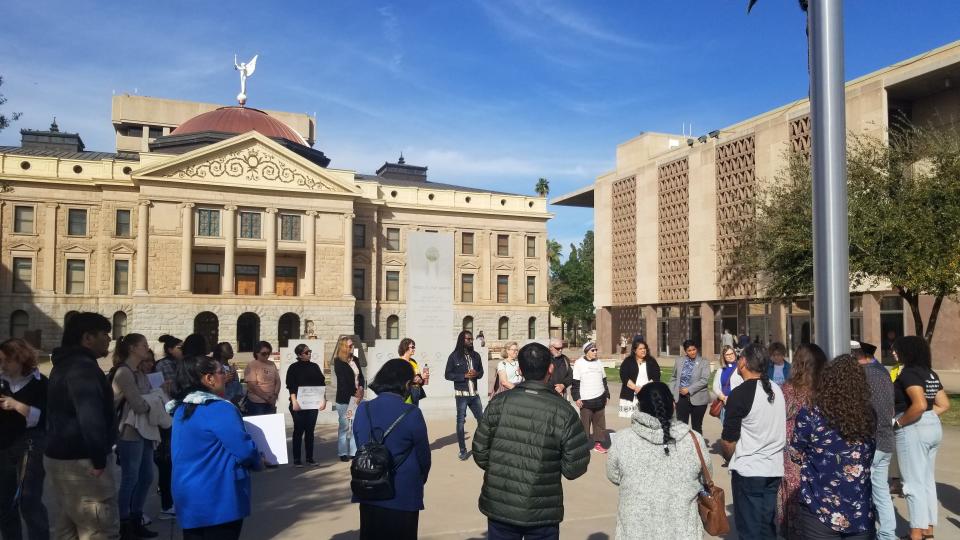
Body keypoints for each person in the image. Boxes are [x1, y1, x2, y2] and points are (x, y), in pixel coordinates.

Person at [473, 343, 590, 539]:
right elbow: (574, 467)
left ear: (520, 370)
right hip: (538, 510)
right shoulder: (564, 411)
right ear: (550, 369)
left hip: (508, 505)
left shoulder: (498, 404)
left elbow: (480, 452)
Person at [169, 355, 263, 540]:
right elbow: (244, 450)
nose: (226, 375)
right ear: (209, 378)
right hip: (218, 496)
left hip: (188, 495)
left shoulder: (182, 407)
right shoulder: (219, 408)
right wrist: (259, 460)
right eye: (222, 372)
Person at [44, 312, 120, 540]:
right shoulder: (83, 369)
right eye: (105, 334)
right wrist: (98, 461)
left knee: (67, 529)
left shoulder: (63, 365)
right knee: (99, 529)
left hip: (60, 458)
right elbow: (90, 416)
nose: (109, 339)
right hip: (82, 462)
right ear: (87, 338)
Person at [607, 381, 711, 539]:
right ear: (673, 405)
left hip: (635, 529)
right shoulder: (693, 440)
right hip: (682, 530)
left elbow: (614, 475)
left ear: (639, 407)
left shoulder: (622, 440)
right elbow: (706, 476)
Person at [789, 355, 876, 539]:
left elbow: (796, 452)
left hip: (819, 507)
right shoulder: (869, 415)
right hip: (859, 508)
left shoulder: (810, 414)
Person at [352, 358, 431, 540]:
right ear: (405, 384)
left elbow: (360, 444)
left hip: (369, 486)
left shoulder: (364, 409)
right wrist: (421, 478)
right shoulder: (412, 413)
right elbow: (424, 457)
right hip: (403, 491)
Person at [720, 343, 786, 540]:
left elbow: (728, 440)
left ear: (743, 362)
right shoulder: (776, 389)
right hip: (772, 470)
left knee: (750, 530)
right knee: (766, 528)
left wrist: (728, 455)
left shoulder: (740, 394)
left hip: (749, 472)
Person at [892, 336, 950, 540]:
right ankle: (928, 530)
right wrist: (926, 418)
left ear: (908, 351)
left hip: (912, 428)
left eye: (896, 349)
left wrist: (898, 423)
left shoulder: (908, 374)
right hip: (932, 426)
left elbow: (919, 404)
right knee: (926, 481)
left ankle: (915, 533)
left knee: (912, 483)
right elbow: (943, 404)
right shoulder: (930, 373)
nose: (893, 352)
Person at [110, 333, 160, 539]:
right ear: (132, 348)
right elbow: (139, 404)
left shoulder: (138, 373)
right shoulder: (124, 373)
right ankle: (125, 522)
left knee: (146, 475)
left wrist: (152, 398)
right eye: (143, 345)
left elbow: (147, 398)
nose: (147, 348)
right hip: (129, 431)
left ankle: (136, 516)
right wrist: (154, 400)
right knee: (131, 477)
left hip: (145, 429)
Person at [776, 343, 827, 539]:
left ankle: (793, 532)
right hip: (820, 450)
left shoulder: (786, 390)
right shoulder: (824, 390)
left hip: (792, 451)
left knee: (793, 494)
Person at [0, 338, 49, 540]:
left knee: (29, 501)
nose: (2, 365)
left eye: (6, 361)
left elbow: (45, 417)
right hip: (3, 447)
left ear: (21, 359)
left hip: (31, 447)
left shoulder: (40, 383)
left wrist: (17, 405)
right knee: (4, 502)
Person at [853, 341, 896, 540]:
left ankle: (865, 530)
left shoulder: (863, 376)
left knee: (862, 490)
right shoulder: (884, 373)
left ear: (861, 355)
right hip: (886, 439)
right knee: (881, 491)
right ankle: (888, 533)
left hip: (870, 441)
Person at [154, 335, 182, 520]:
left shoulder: (182, 363)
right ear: (170, 349)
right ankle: (166, 503)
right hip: (166, 416)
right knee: (166, 460)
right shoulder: (163, 366)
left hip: (178, 414)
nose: (182, 350)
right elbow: (164, 390)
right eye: (179, 347)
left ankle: (172, 497)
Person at [445, 330, 484, 461]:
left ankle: (481, 446)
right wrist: (463, 376)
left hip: (474, 395)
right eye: (467, 339)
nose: (470, 341)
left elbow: (482, 372)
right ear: (462, 340)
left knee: (482, 421)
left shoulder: (476, 356)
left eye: (471, 339)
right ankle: (462, 449)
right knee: (460, 422)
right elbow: (448, 375)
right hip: (461, 395)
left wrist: (476, 374)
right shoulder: (454, 356)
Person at [286, 343, 326, 467]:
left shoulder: (314, 366)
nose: (309, 353)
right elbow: (291, 385)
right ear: (299, 355)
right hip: (298, 403)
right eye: (306, 352)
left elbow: (321, 383)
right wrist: (294, 401)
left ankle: (310, 458)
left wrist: (324, 400)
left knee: (310, 431)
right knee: (299, 430)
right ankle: (297, 459)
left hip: (312, 404)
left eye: (310, 351)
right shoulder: (293, 367)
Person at [572, 341, 609, 453]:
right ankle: (583, 446)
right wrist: (577, 398)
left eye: (596, 350)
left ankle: (598, 444)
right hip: (586, 400)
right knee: (584, 425)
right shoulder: (579, 363)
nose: (595, 352)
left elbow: (604, 380)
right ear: (587, 351)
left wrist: (606, 395)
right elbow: (575, 383)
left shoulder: (599, 362)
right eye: (593, 350)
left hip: (600, 398)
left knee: (600, 424)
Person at [669, 340, 711, 435]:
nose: (692, 352)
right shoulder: (679, 361)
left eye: (694, 349)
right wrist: (672, 395)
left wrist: (689, 389)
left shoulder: (704, 362)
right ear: (685, 351)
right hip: (681, 399)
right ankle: (683, 448)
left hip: (698, 399)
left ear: (697, 349)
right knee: (682, 426)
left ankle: (698, 448)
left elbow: (704, 380)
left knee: (696, 427)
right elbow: (674, 378)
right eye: (689, 350)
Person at [333, 336, 365, 462]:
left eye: (353, 345)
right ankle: (342, 452)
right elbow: (344, 381)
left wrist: (361, 389)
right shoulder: (338, 361)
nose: (353, 347)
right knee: (345, 426)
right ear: (344, 347)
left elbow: (361, 377)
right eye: (350, 345)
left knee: (353, 425)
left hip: (356, 397)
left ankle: (353, 451)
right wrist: (355, 394)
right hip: (345, 399)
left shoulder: (355, 359)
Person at [618, 337, 660, 418]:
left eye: (644, 348)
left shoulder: (651, 361)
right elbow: (624, 377)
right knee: (634, 420)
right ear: (634, 350)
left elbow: (656, 377)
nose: (643, 350)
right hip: (631, 395)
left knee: (647, 418)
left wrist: (644, 389)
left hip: (647, 395)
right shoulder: (628, 361)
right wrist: (636, 388)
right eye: (640, 349)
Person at [243, 341, 279, 416]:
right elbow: (252, 386)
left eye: (268, 353)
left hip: (271, 401)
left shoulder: (272, 364)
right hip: (257, 403)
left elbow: (277, 381)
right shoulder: (252, 365)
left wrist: (275, 395)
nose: (266, 356)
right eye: (263, 353)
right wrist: (267, 398)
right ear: (256, 353)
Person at [711, 345, 743, 424]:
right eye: (727, 355)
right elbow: (715, 386)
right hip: (724, 403)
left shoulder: (741, 368)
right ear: (723, 357)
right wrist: (722, 397)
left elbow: (744, 385)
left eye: (732, 353)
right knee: (726, 428)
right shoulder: (720, 370)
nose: (730, 356)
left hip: (738, 403)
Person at [399, 338, 429, 406]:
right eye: (412, 347)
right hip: (407, 393)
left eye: (414, 347)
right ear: (405, 347)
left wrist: (423, 379)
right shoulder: (400, 362)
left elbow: (418, 378)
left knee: (414, 412)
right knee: (408, 413)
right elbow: (405, 379)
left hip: (416, 391)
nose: (414, 349)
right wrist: (421, 377)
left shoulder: (413, 361)